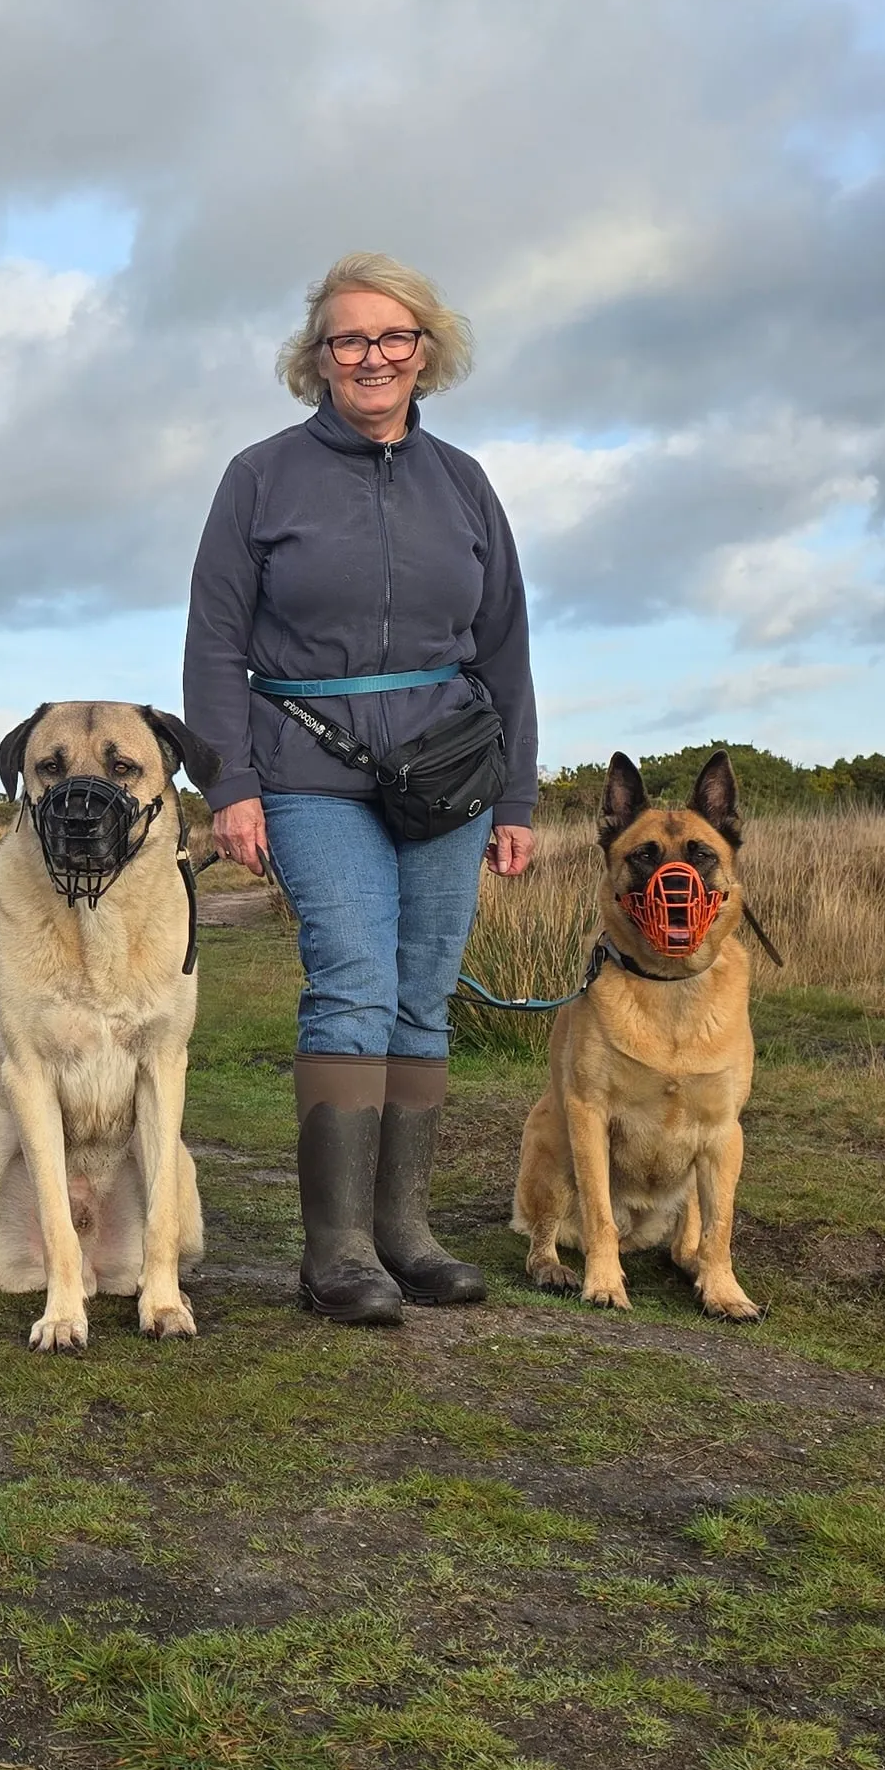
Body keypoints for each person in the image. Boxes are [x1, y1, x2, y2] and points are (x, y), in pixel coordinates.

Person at [183, 253, 536, 1327]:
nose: (371, 356)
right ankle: (333, 1253)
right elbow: (213, 641)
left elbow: (506, 646)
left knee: (422, 992)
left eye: (393, 338)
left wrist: (515, 799)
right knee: (351, 980)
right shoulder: (259, 477)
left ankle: (405, 1234)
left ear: (425, 351)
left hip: (447, 775)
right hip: (307, 769)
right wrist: (229, 780)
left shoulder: (465, 483)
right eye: (349, 339)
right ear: (317, 357)